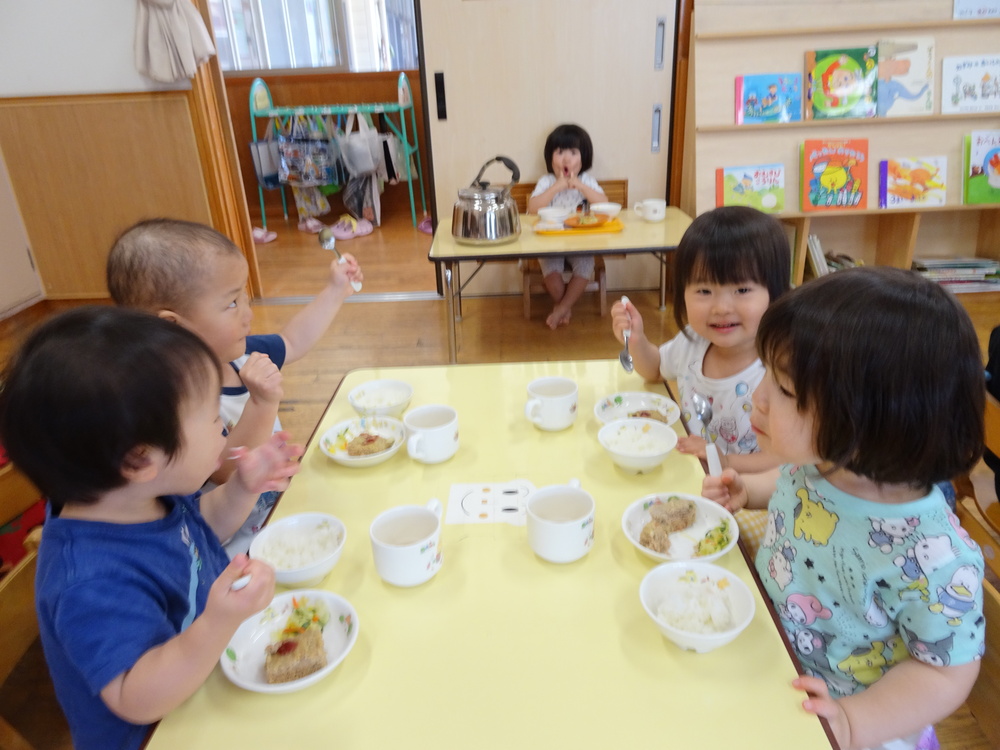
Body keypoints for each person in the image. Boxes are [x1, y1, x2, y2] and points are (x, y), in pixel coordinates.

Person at [703, 267, 986, 750]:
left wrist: (853, 721)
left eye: (786, 390)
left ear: (873, 419)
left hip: (851, 725)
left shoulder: (932, 555)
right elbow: (796, 489)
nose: (760, 396)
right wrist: (749, 491)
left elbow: (945, 673)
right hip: (774, 661)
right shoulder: (820, 462)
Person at [0, 306, 302, 750]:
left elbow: (202, 529)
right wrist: (219, 621)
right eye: (214, 419)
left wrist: (243, 487)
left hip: (207, 685)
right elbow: (135, 697)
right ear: (140, 459)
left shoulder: (143, 497)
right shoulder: (89, 580)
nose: (225, 430)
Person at [107, 218, 362, 555]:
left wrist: (335, 291)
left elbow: (292, 340)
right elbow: (229, 470)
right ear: (172, 326)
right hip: (233, 547)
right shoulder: (175, 401)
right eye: (231, 303)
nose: (248, 313)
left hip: (279, 512)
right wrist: (262, 404)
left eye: (245, 297)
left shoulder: (237, 354)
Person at [610, 205, 790, 475]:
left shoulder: (782, 373)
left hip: (747, 495)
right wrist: (637, 340)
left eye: (742, 290)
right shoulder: (693, 342)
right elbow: (655, 369)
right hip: (690, 471)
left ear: (775, 292)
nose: (721, 307)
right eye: (704, 290)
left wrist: (725, 462)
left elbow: (784, 459)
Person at [526, 124, 608, 330]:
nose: (566, 159)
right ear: (550, 158)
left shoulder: (587, 181)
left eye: (573, 152)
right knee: (552, 279)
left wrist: (580, 186)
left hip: (580, 240)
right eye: (560, 152)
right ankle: (565, 308)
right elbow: (533, 208)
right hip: (550, 240)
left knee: (584, 269)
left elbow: (604, 204)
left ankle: (561, 308)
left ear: (584, 158)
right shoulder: (547, 181)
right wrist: (556, 187)